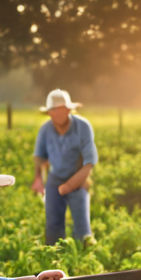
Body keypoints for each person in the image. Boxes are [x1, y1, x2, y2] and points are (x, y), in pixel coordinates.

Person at [31, 89, 98, 245]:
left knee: (82, 228)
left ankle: (85, 259)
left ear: (68, 109)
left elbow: (90, 162)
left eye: (60, 109)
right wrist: (38, 178)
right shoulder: (45, 130)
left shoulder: (83, 127)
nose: (56, 113)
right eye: (53, 110)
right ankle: (55, 260)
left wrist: (70, 185)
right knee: (53, 226)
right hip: (55, 180)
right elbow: (39, 156)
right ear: (48, 113)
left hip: (79, 179)